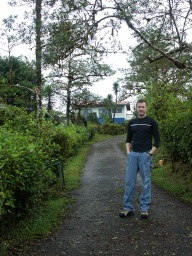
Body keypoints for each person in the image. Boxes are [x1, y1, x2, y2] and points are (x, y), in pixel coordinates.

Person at [119, 99, 160, 219]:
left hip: (145, 155)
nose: (141, 109)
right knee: (129, 182)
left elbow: (157, 141)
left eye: (143, 107)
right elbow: (128, 140)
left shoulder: (151, 122)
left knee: (146, 182)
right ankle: (127, 208)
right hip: (133, 155)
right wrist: (128, 153)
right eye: (139, 107)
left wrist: (150, 154)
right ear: (136, 108)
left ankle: (144, 208)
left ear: (146, 108)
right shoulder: (132, 123)